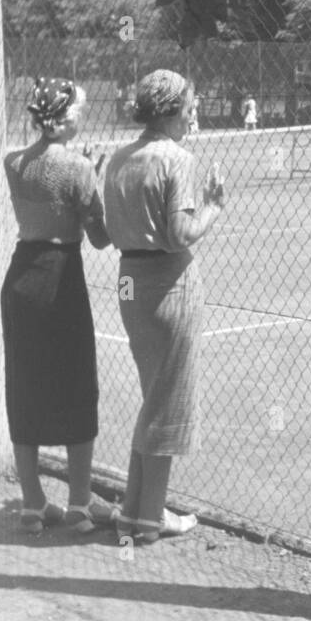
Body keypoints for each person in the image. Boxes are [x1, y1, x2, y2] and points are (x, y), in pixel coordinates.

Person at [103, 70, 226, 544]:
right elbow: (180, 234)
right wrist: (212, 207)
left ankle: (135, 510)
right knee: (169, 399)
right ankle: (151, 518)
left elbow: (112, 230)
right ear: (172, 109)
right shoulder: (177, 159)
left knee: (152, 394)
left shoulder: (118, 159)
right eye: (191, 106)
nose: (194, 113)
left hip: (129, 284)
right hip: (168, 285)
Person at [1, 77, 116, 535]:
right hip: (61, 278)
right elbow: (101, 238)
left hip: (20, 277)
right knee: (76, 384)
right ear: (66, 118)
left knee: (24, 384)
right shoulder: (77, 169)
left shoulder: (14, 163)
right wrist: (93, 182)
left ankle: (32, 505)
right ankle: (79, 504)